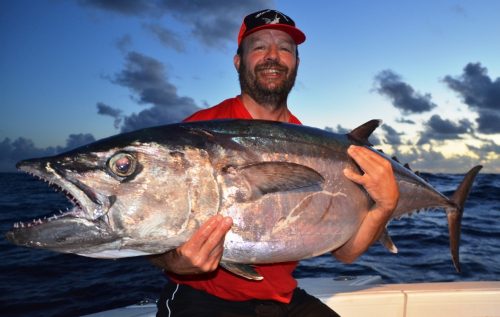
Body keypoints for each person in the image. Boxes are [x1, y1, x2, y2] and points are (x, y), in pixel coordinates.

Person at [153, 9, 400, 317]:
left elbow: (346, 252)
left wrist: (385, 205)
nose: (273, 56)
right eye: (259, 47)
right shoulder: (198, 133)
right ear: (238, 61)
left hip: (281, 299)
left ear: (295, 63)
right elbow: (155, 235)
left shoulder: (311, 144)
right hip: (203, 297)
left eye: (285, 48)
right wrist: (178, 262)